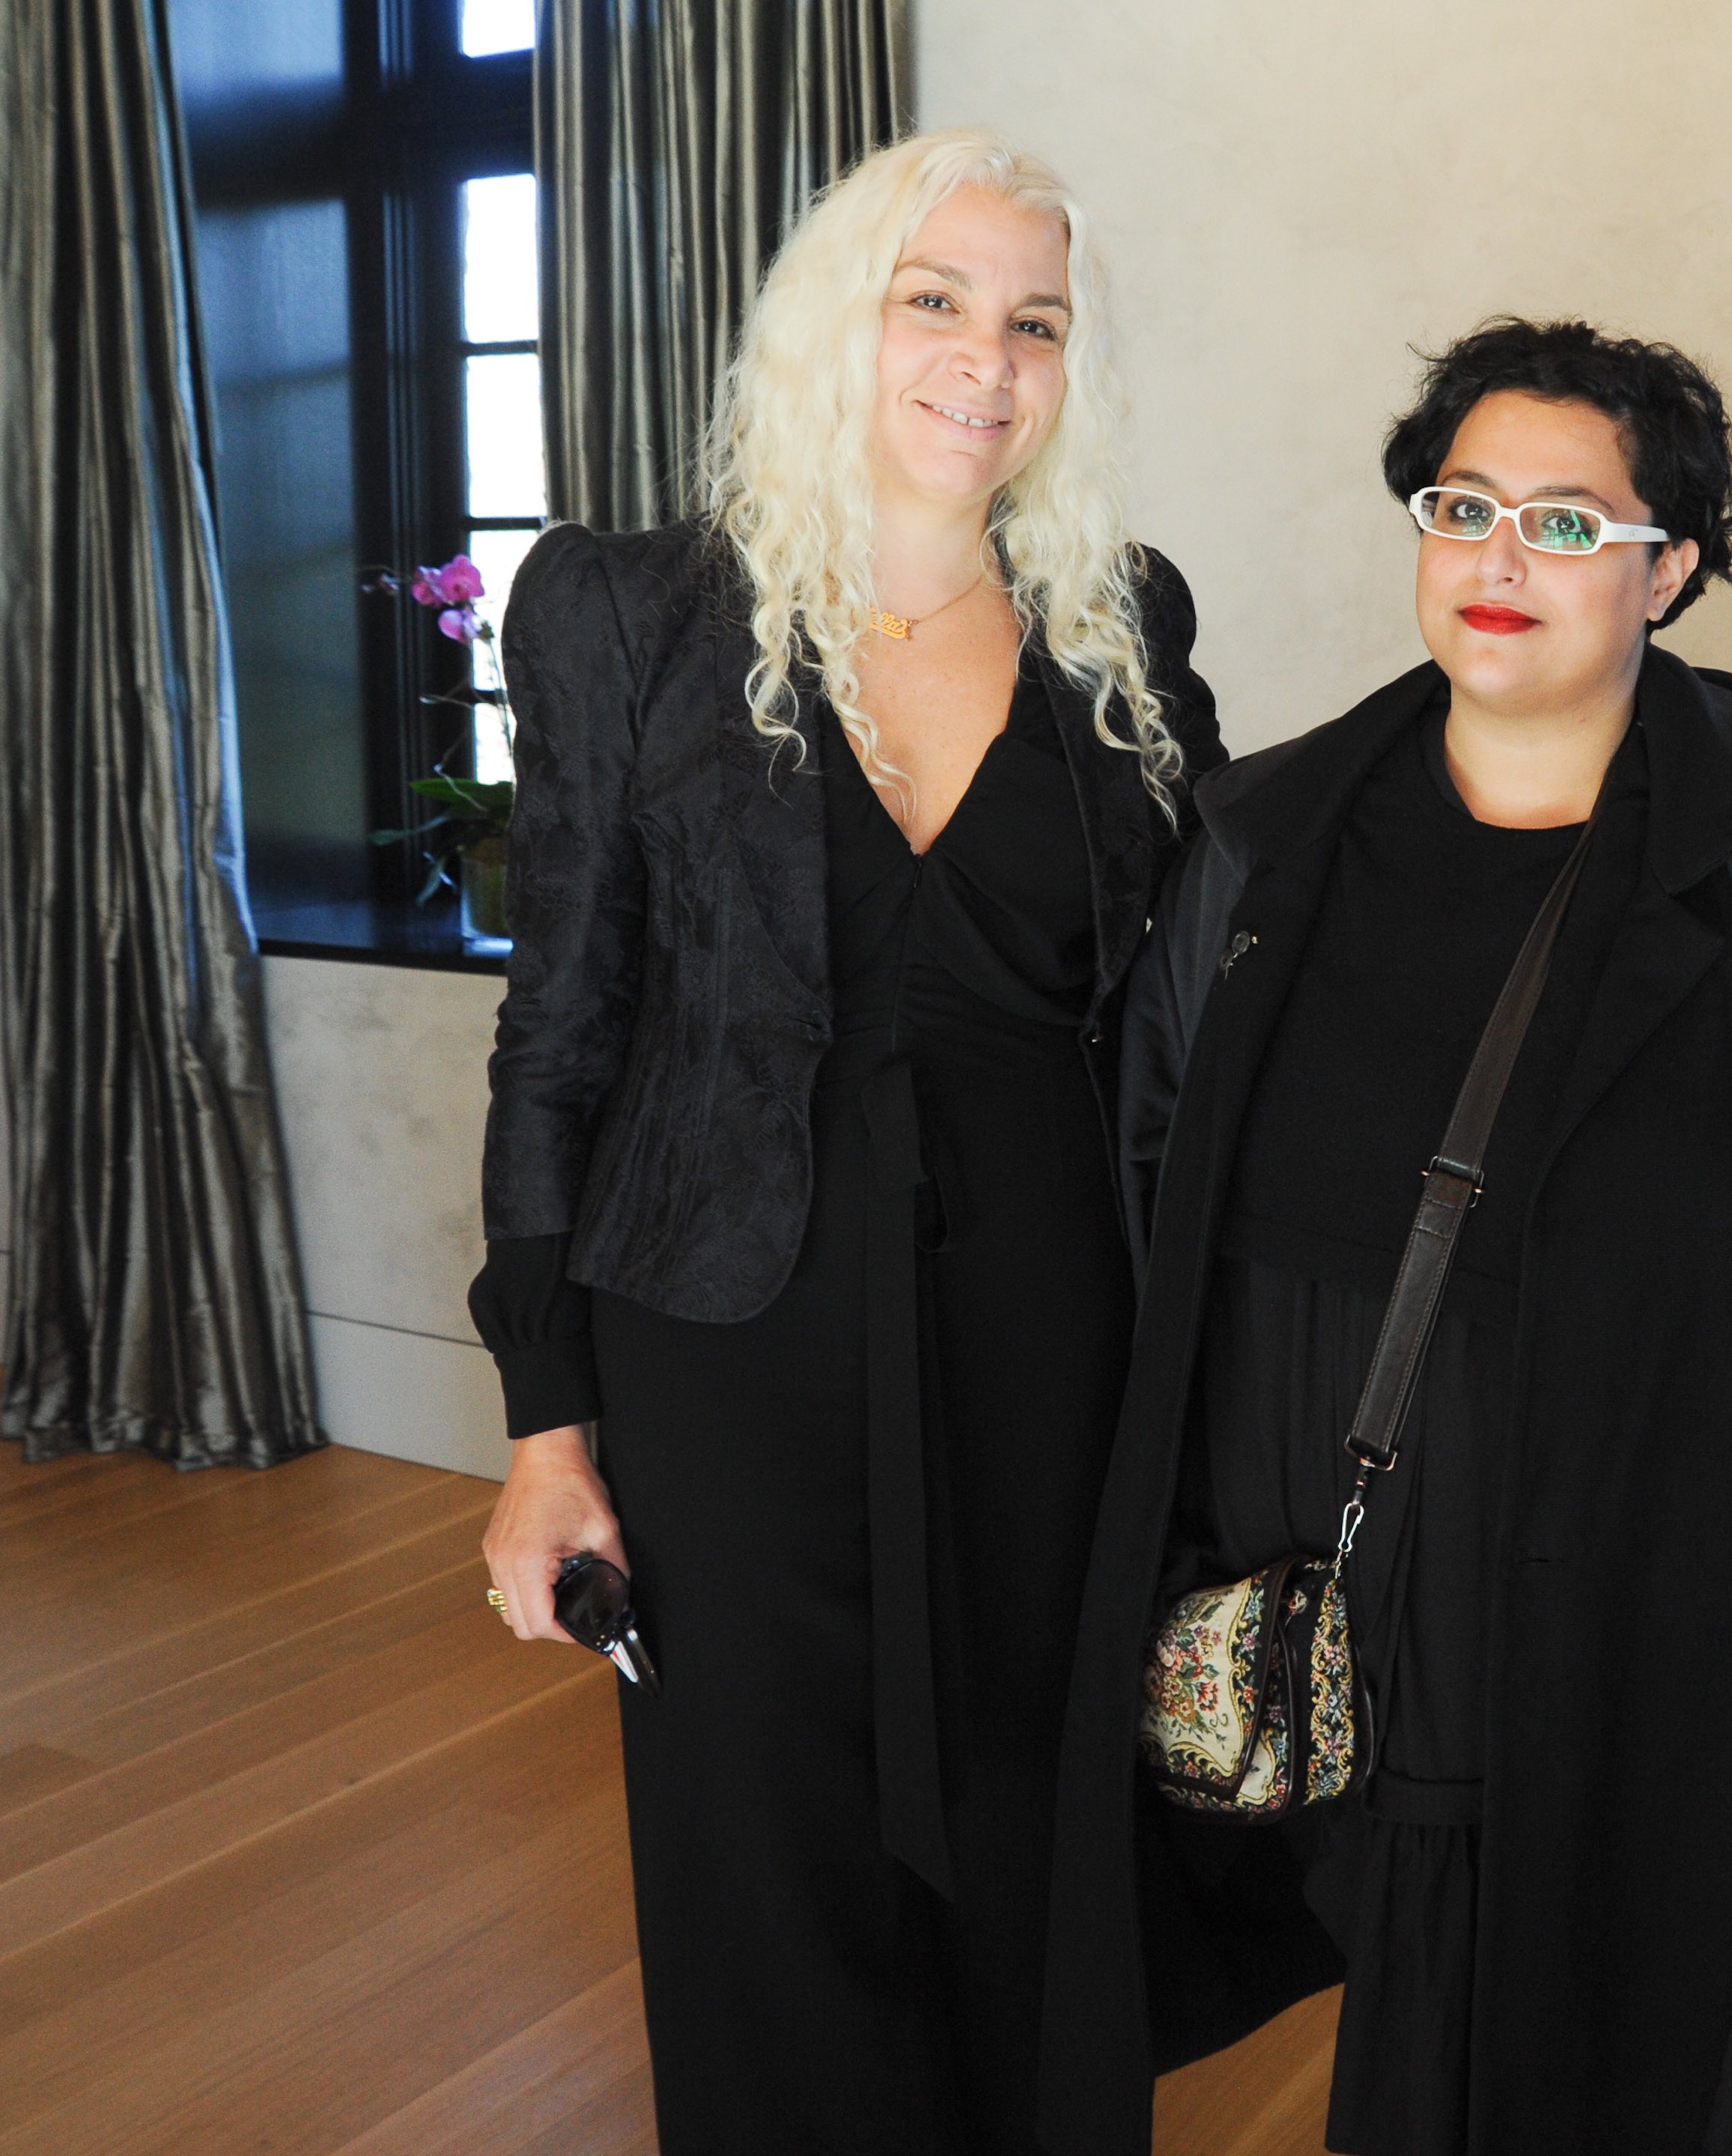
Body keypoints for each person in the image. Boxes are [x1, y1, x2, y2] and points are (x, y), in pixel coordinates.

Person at [1039, 318, 1732, 2156]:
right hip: (1290, 1612)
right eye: (1463, 507)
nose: (1500, 556)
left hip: (1612, 1635)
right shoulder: (1264, 850)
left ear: (1669, 572)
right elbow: (1147, 1181)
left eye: (1569, 521)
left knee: (1544, 2066)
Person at [469, 129, 1220, 2154]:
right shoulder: (629, 607)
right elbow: (563, 1027)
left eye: (1035, 322)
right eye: (934, 301)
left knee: (1040, 1806)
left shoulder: (1122, 618)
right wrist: (547, 1432)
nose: (988, 359)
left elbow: (1208, 986)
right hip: (726, 1328)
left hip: (1052, 1325)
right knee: (761, 1833)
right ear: (834, 321)